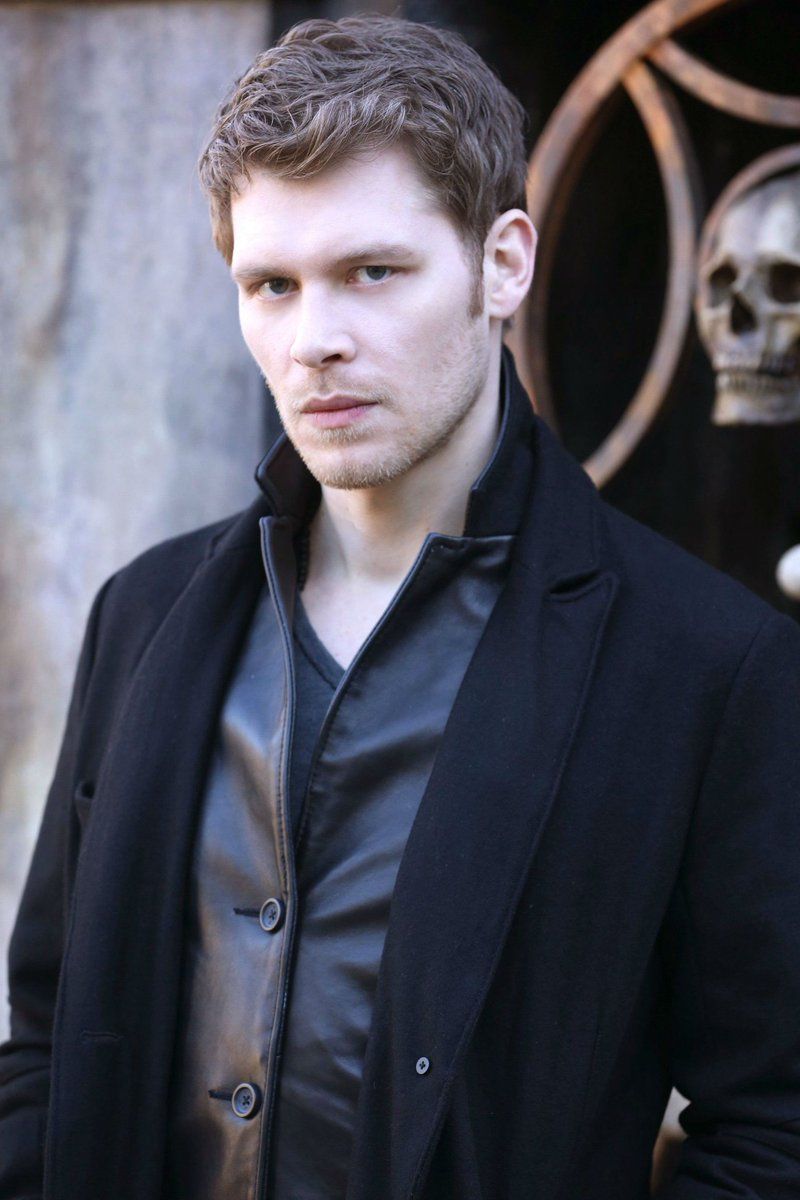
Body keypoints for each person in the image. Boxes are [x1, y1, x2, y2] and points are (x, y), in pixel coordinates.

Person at [2, 14, 800, 1200]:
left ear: (502, 264)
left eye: (372, 272)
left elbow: (772, 1131)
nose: (314, 340)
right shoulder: (145, 612)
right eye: (271, 285)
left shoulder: (705, 666)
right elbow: (48, 1040)